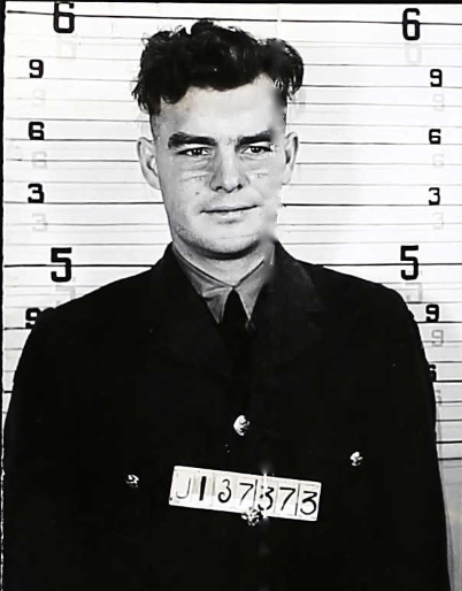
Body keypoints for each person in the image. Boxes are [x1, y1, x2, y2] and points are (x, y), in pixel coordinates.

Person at [4, 19, 450, 591]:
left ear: (288, 157)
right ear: (151, 163)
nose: (228, 179)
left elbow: (415, 563)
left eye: (254, 147)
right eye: (196, 150)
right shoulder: (66, 350)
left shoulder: (377, 329)